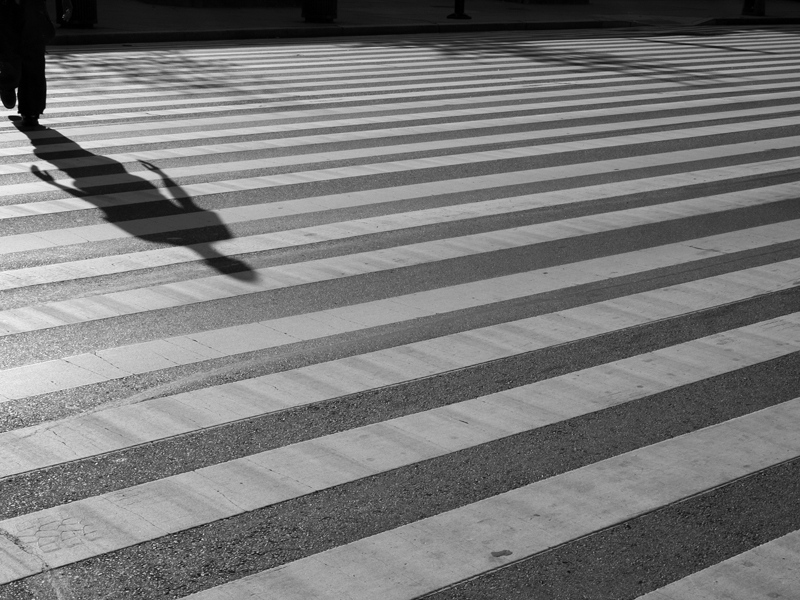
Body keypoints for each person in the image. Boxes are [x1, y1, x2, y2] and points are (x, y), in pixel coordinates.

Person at [0, 0, 72, 128]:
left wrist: (66, 3)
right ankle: (8, 83)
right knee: (11, 56)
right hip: (8, 8)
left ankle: (31, 112)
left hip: (33, 11)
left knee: (34, 61)